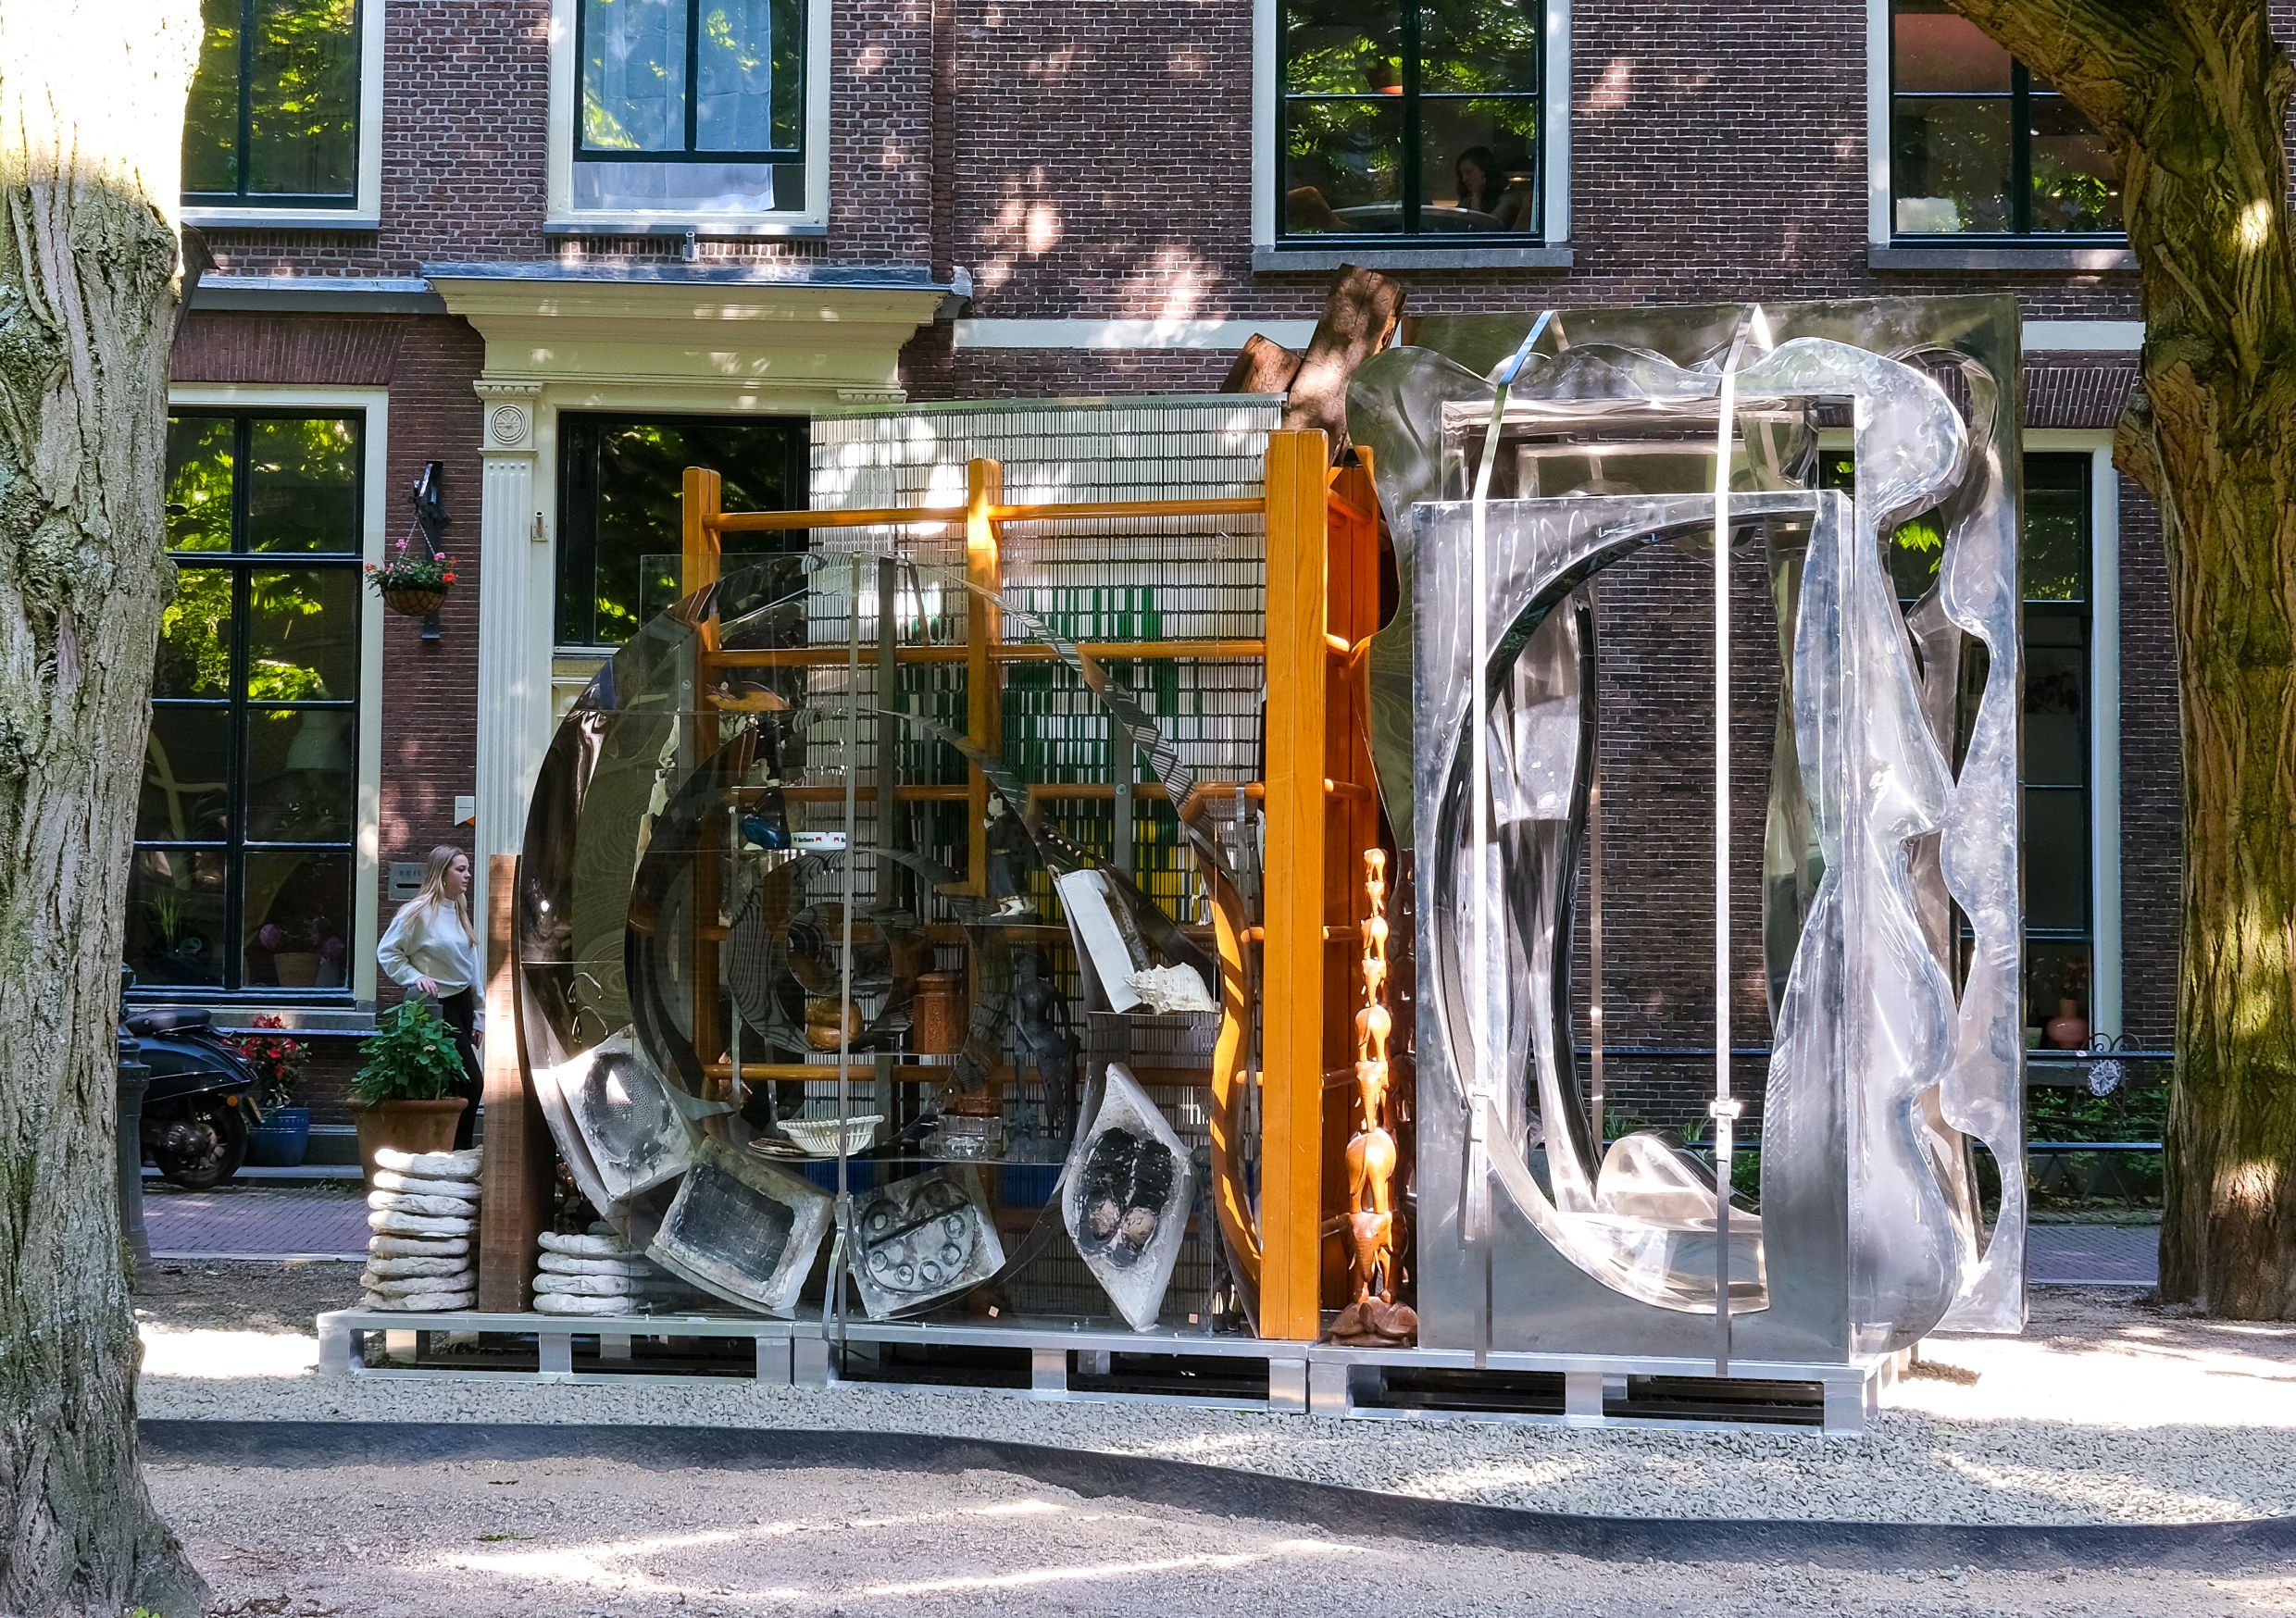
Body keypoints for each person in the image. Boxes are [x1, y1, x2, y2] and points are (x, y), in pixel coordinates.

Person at [377, 845, 483, 1149]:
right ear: (442, 873)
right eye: (460, 869)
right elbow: (388, 952)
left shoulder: (459, 910)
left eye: (467, 869)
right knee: (471, 1082)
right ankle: (456, 1151)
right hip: (436, 1007)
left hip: (462, 1005)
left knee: (455, 1084)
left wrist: (480, 1016)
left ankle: (452, 1152)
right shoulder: (417, 913)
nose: (467, 875)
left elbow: (472, 968)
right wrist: (415, 977)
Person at [1452, 146, 1535, 231]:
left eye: (1468, 172)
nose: (1464, 179)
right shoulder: (1468, 200)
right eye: (1462, 175)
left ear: (1483, 171)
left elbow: (1483, 230)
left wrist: (1477, 195)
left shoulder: (1508, 199)